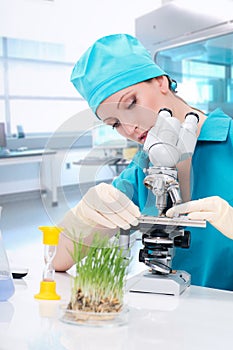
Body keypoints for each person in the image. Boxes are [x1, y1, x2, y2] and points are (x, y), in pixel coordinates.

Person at [54, 33, 233, 291]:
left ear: (161, 81)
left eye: (131, 104)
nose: (129, 127)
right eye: (114, 124)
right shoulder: (143, 169)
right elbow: (57, 259)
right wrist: (83, 218)